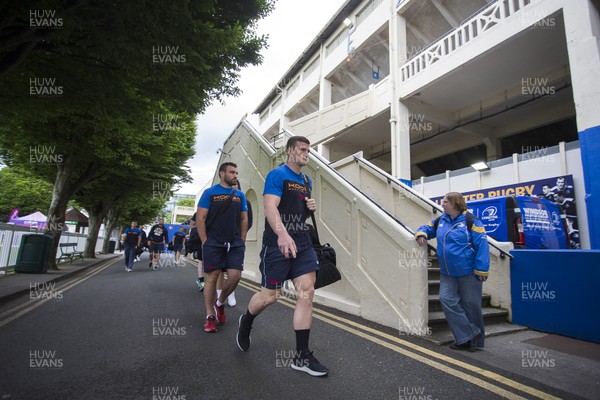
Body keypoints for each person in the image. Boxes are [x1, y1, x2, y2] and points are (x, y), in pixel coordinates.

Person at [236, 136, 328, 377]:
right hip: (277, 245)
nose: (307, 154)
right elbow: (270, 207)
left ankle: (302, 356)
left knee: (306, 292)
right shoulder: (277, 175)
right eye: (303, 150)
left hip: (303, 244)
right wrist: (282, 235)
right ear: (290, 151)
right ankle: (246, 320)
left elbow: (297, 214)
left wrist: (309, 210)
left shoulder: (306, 180)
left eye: (309, 150)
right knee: (270, 296)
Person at [415, 192, 490, 352]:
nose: (443, 204)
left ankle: (470, 342)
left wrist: (482, 268)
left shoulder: (471, 220)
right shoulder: (440, 220)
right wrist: (421, 234)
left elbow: (482, 245)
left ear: (456, 203)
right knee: (446, 300)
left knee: (471, 305)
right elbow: (426, 228)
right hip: (447, 273)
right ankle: (469, 334)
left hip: (469, 272)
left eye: (446, 202)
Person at [197, 162, 248, 333]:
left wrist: (242, 239)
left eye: (236, 172)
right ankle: (210, 316)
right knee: (212, 277)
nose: (235, 175)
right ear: (221, 174)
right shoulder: (210, 193)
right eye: (232, 172)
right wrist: (205, 240)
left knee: (235, 276)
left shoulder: (239, 195)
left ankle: (219, 303)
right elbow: (200, 218)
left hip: (234, 243)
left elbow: (243, 219)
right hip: (214, 242)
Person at [216, 180, 253, 307]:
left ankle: (230, 293)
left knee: (235, 272)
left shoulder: (245, 202)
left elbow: (249, 221)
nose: (233, 188)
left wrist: (241, 236)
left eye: (236, 186)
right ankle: (219, 294)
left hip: (236, 241)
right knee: (220, 270)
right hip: (220, 241)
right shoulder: (219, 199)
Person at [187, 214, 205, 291]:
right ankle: (201, 281)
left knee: (209, 262)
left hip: (213, 238)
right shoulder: (200, 210)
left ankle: (209, 283)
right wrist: (195, 233)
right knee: (201, 260)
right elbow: (191, 224)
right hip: (201, 240)